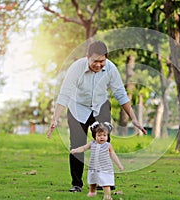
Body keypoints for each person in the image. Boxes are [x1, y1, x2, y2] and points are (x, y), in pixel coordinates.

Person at [47, 40, 147, 192]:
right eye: (95, 61)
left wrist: (133, 118)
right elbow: (65, 94)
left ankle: (103, 181)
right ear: (87, 57)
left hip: (100, 107)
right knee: (77, 145)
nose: (98, 65)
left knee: (103, 143)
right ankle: (77, 184)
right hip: (77, 108)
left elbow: (120, 94)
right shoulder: (76, 68)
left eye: (102, 61)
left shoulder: (111, 69)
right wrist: (55, 118)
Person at [71, 122, 123, 200]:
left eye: (104, 135)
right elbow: (83, 148)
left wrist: (119, 165)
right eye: (99, 135)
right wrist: (75, 150)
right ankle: (92, 191)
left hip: (105, 167)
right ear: (95, 136)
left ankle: (107, 196)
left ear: (107, 136)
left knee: (106, 183)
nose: (102, 137)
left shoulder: (108, 145)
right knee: (92, 181)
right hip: (94, 167)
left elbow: (113, 155)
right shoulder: (92, 144)